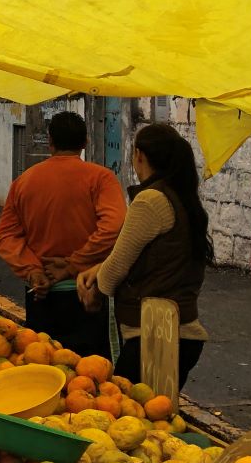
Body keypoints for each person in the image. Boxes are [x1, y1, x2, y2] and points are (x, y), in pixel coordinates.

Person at [77, 123, 213, 390]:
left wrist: (96, 286)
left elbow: (116, 269)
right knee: (154, 417)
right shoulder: (178, 196)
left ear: (138, 154)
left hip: (154, 336)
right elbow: (144, 256)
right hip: (179, 332)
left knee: (129, 415)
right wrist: (99, 270)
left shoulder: (150, 200)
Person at [0, 112, 126, 358]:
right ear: (85, 142)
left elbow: (6, 236)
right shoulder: (101, 178)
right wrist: (73, 265)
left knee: (43, 367)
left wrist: (33, 271)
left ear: (50, 142)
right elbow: (113, 227)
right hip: (88, 293)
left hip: (41, 294)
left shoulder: (24, 182)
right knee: (93, 374)